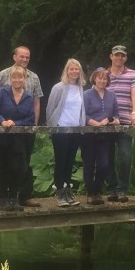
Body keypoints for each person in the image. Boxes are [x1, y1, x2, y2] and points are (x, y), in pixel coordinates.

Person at [0, 45, 43, 201]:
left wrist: (33, 125)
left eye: (27, 57)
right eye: (22, 56)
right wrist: (2, 121)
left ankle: (23, 197)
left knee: (23, 163)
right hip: (4, 130)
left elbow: (36, 102)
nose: (25, 59)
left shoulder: (33, 77)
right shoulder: (3, 74)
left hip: (25, 128)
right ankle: (2, 198)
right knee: (3, 164)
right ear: (14, 57)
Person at [0, 65, 35, 212]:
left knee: (16, 168)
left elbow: (31, 117)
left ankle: (14, 198)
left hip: (17, 139)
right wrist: (3, 121)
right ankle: (2, 199)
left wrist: (16, 123)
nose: (17, 80)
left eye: (20, 77)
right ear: (10, 78)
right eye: (14, 77)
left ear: (24, 79)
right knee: (1, 167)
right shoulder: (2, 92)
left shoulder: (28, 96)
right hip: (0, 138)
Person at [46, 58, 86, 207]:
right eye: (71, 69)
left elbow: (82, 109)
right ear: (66, 70)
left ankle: (68, 190)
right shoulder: (59, 87)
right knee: (61, 160)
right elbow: (50, 108)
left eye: (77, 69)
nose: (74, 71)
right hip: (61, 128)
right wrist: (53, 126)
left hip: (75, 129)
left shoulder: (81, 88)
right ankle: (60, 192)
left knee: (70, 161)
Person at [107, 45, 135, 202]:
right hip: (106, 123)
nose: (119, 58)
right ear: (111, 56)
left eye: (122, 55)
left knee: (125, 156)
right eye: (117, 55)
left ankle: (122, 189)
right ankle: (111, 189)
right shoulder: (104, 75)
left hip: (126, 122)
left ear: (126, 58)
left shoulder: (133, 74)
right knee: (106, 158)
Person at [82, 68, 120, 205]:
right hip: (89, 134)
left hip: (105, 136)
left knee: (104, 164)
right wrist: (95, 123)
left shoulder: (112, 95)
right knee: (89, 164)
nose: (102, 81)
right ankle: (91, 193)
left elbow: (116, 115)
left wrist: (108, 120)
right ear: (94, 78)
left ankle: (97, 189)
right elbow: (83, 114)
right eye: (100, 78)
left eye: (105, 79)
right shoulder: (86, 94)